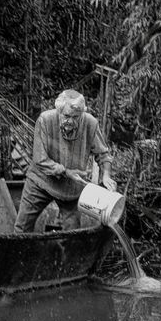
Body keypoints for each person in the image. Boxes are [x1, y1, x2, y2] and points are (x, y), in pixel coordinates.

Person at [14, 89, 116, 233]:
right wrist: (66, 172)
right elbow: (40, 159)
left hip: (71, 188)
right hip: (41, 182)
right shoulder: (45, 120)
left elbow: (103, 154)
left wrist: (106, 176)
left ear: (82, 114)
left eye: (76, 117)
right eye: (67, 116)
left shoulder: (90, 123)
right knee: (22, 227)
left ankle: (67, 254)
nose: (71, 121)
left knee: (72, 233)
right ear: (59, 111)